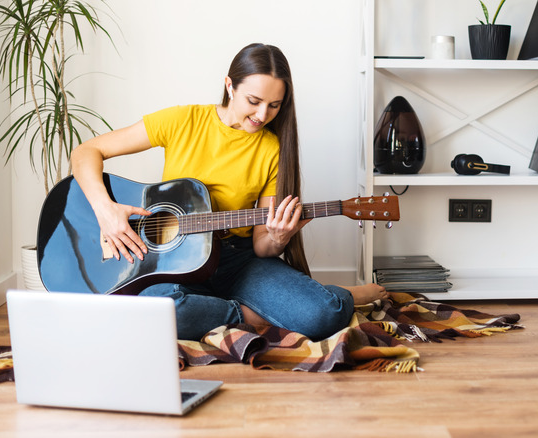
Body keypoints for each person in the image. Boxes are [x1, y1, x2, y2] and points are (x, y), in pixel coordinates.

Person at [71, 43, 388, 341]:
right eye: (254, 101)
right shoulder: (182, 120)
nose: (263, 115)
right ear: (229, 86)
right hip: (168, 259)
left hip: (235, 258)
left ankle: (333, 295)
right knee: (160, 309)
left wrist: (278, 237)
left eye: (274, 105)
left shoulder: (272, 149)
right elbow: (86, 151)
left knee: (323, 314)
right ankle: (251, 314)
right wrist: (106, 211)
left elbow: (263, 246)